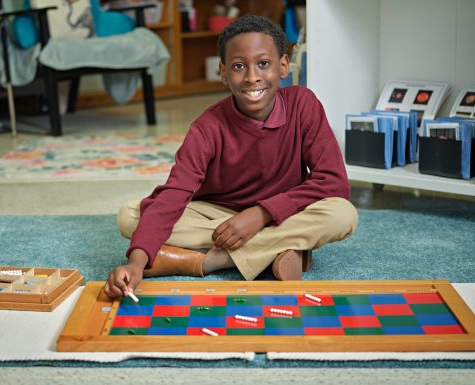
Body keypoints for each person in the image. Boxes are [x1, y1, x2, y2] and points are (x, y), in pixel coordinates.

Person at [103, 15, 358, 299]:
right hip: (218, 217)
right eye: (238, 66)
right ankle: (283, 249)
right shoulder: (206, 127)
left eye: (263, 64)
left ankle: (209, 262)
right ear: (223, 73)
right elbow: (174, 193)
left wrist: (260, 214)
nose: (252, 77)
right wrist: (136, 262)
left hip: (281, 214)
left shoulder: (303, 104)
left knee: (342, 213)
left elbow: (333, 182)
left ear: (283, 66)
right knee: (129, 216)